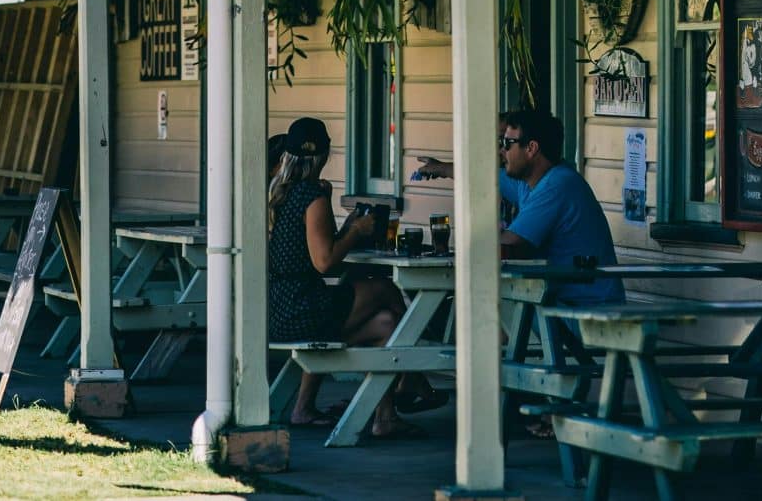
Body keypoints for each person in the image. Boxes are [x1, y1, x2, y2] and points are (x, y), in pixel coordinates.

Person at [266, 116, 433, 436]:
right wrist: (356, 230)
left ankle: (383, 416)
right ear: (325, 155)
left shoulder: (278, 193)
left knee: (387, 325)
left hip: (278, 308)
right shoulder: (310, 194)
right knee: (384, 288)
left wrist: (348, 229)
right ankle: (413, 379)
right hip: (302, 309)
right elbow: (325, 262)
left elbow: (318, 247)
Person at [415, 107, 622, 305]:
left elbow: (507, 245)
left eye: (507, 143)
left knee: (478, 312)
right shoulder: (532, 181)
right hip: (554, 297)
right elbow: (483, 177)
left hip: (581, 305)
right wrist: (441, 168)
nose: (501, 151)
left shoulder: (557, 185)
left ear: (531, 148)